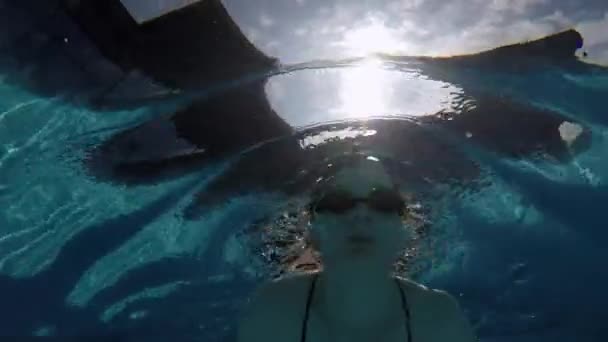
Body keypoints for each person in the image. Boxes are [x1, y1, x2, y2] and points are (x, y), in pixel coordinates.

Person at [237, 154, 476, 342]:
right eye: (338, 203)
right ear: (313, 233)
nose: (361, 215)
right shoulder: (274, 308)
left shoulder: (438, 316)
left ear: (403, 235)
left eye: (383, 204)